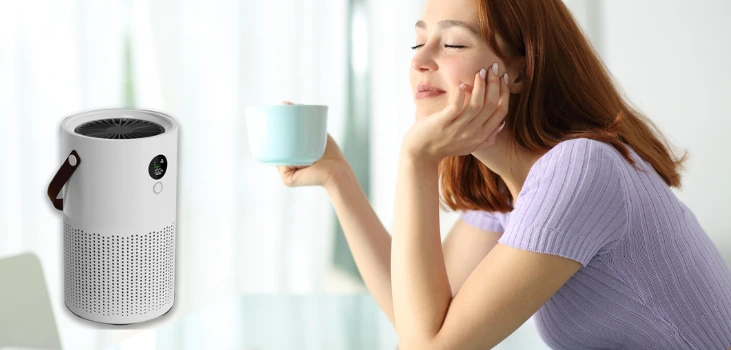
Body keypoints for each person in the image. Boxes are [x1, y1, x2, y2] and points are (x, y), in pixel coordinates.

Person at [277, 0, 731, 348]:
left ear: (517, 70)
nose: (420, 60)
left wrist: (416, 160)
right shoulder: (511, 186)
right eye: (418, 42)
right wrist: (339, 179)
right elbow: (416, 315)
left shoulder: (579, 170)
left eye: (451, 43)